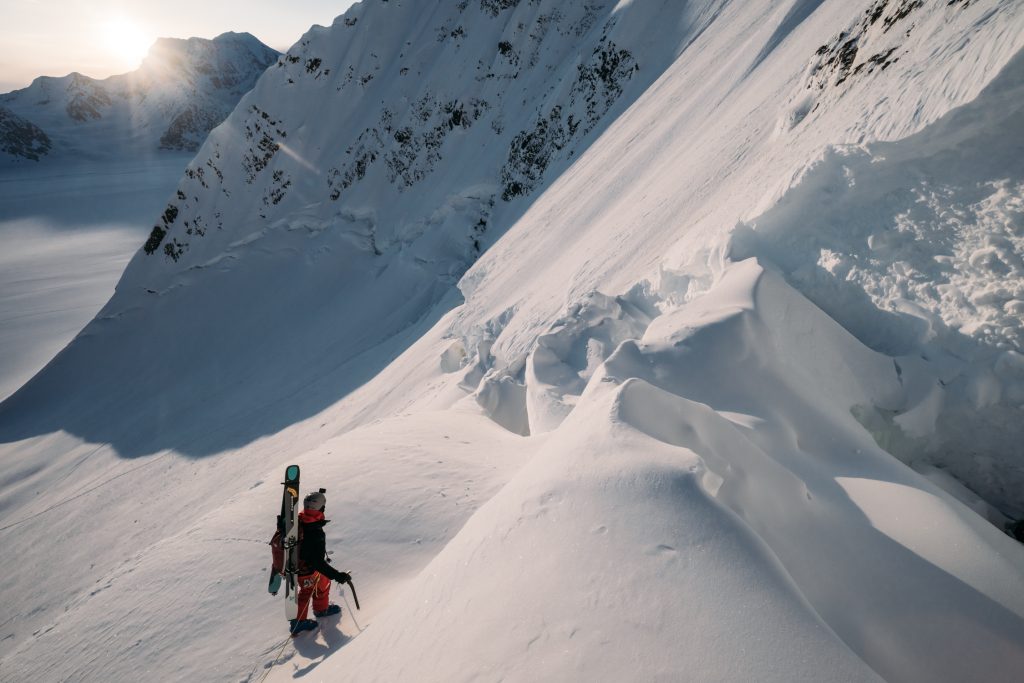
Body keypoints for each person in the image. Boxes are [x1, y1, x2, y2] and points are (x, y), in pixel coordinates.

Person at [289, 490, 353, 635]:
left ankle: (321, 609)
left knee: (323, 583)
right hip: (306, 569)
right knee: (307, 591)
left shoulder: (298, 520)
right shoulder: (315, 531)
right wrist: (338, 575)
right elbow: (317, 562)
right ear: (321, 508)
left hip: (296, 565)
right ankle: (298, 623)